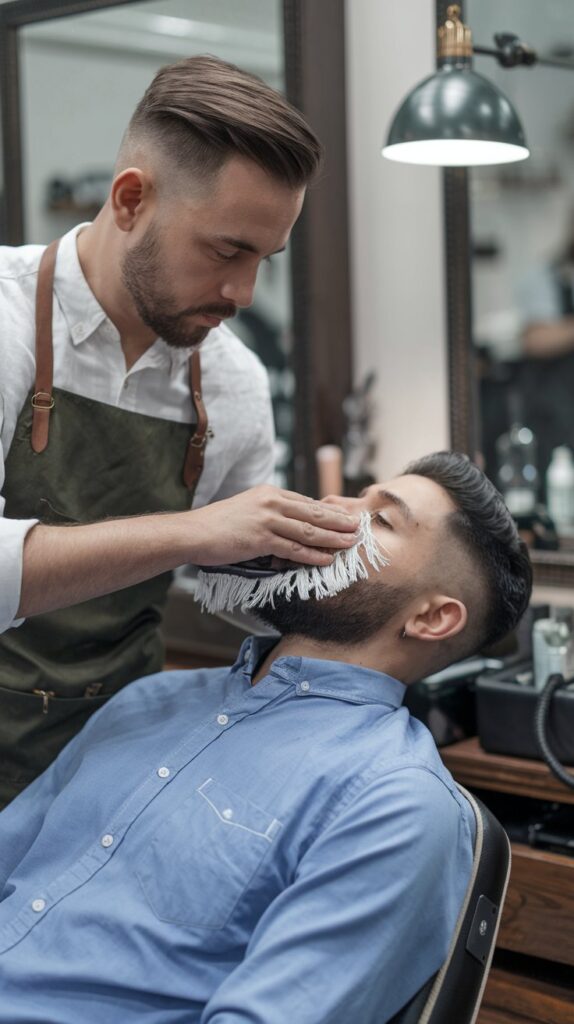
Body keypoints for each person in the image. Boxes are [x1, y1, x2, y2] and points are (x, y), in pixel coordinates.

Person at [0, 451, 532, 1024]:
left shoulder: (398, 805)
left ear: (432, 619)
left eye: (381, 520)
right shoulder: (150, 702)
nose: (331, 508)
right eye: (355, 497)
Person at [0, 55, 360, 806]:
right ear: (131, 199)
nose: (243, 292)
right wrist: (197, 533)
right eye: (226, 250)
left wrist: (357, 564)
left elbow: (238, 588)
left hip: (109, 773)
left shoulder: (231, 382)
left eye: (264, 259)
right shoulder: (5, 323)